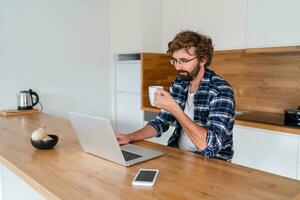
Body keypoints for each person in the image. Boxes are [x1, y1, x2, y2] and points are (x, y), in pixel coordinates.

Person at [116, 30, 235, 161]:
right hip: (179, 155)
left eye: (183, 61)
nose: (178, 67)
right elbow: (161, 122)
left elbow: (210, 147)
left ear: (202, 59)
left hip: (211, 164)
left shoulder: (220, 90)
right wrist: (130, 137)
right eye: (175, 61)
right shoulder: (180, 84)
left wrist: (174, 108)